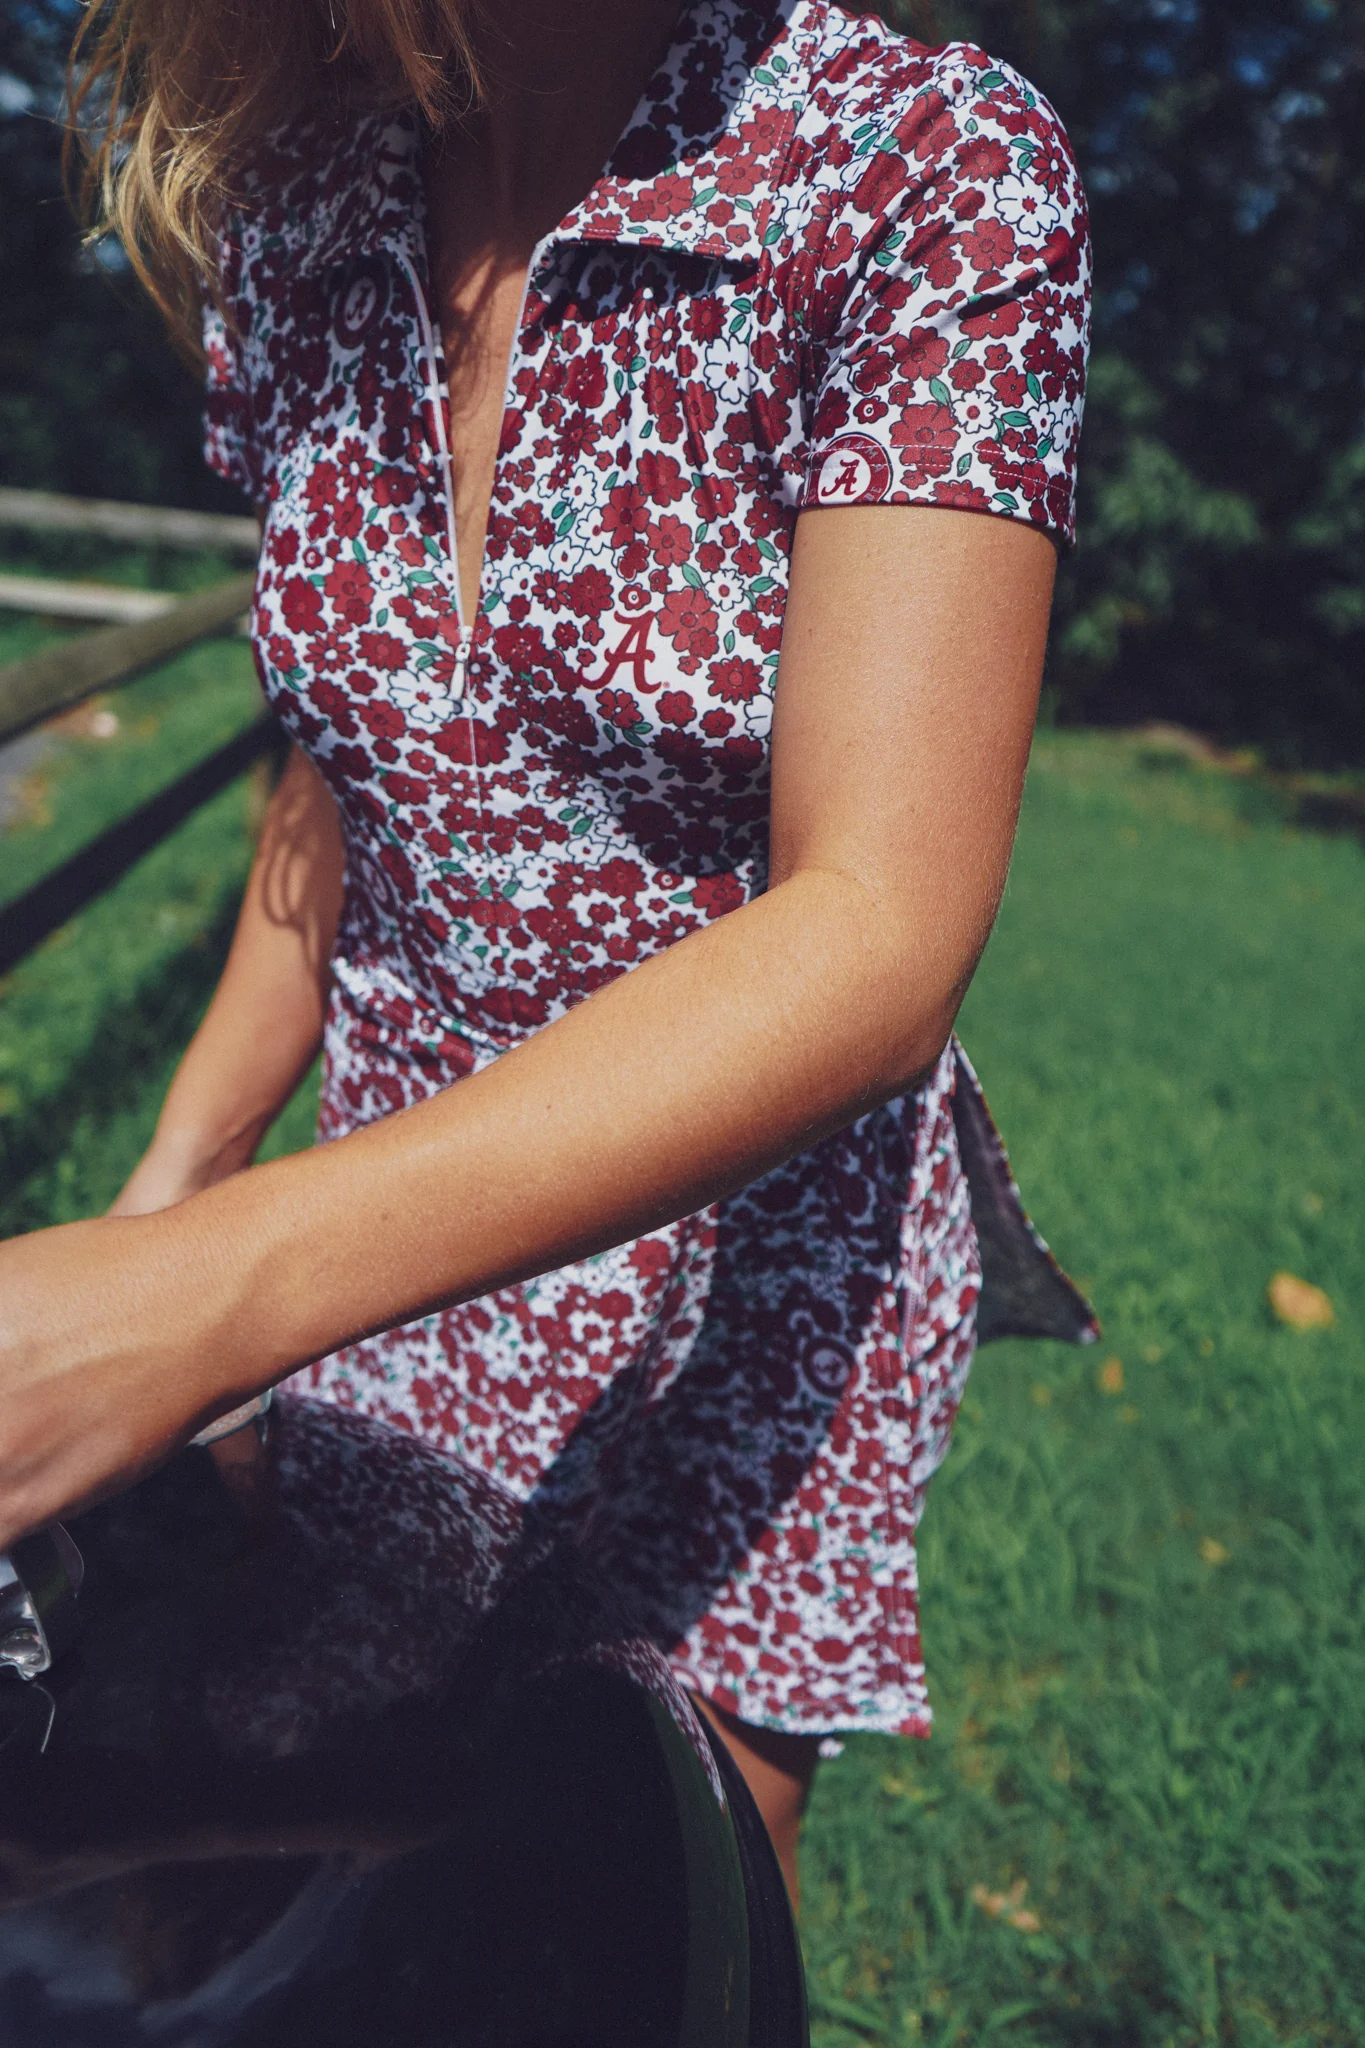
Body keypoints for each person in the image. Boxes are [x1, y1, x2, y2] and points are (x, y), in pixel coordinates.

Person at [3, 0, 1090, 1900]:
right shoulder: (304, 201)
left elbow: (881, 925)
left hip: (755, 1252)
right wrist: (169, 1191)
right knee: (317, 1834)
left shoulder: (928, 163)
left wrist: (208, 1293)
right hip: (390, 1209)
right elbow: (360, 757)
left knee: (638, 1862)